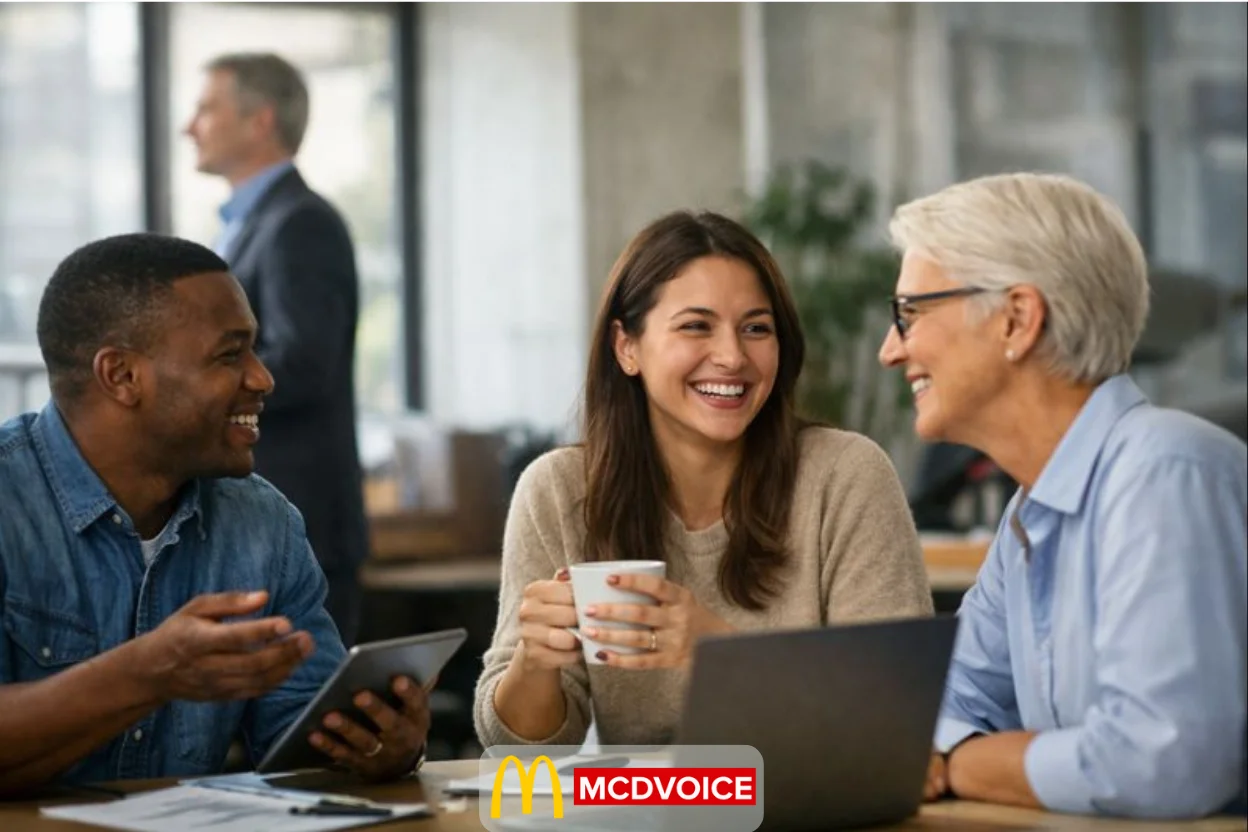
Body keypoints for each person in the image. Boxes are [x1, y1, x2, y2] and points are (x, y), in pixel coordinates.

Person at [474, 211, 934, 748]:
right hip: (645, 811)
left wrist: (716, 653)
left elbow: (895, 713)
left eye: (756, 329)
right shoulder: (558, 490)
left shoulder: (846, 476)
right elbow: (519, 751)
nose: (733, 357)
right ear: (627, 347)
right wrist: (534, 662)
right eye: (696, 326)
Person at [0, 234, 428, 796]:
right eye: (231, 355)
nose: (263, 378)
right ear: (122, 376)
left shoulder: (264, 524)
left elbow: (299, 748)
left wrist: (378, 746)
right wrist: (144, 674)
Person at [877, 172, 1247, 819]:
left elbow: (1162, 762)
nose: (889, 349)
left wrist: (961, 762)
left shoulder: (1163, 471)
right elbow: (933, 708)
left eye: (910, 314)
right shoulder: (1030, 512)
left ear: (1017, 319)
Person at [183, 52, 368, 644]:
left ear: (259, 120)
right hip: (260, 518)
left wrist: (191, 389)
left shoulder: (300, 223)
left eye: (207, 108)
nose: (190, 125)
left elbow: (305, 362)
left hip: (301, 518)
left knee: (315, 729)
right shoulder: (245, 222)